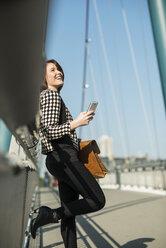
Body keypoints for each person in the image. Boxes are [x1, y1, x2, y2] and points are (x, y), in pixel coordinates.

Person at [30, 59, 106, 248]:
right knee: (97, 200)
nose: (59, 72)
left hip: (58, 159)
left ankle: (56, 218)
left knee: (69, 213)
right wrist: (76, 123)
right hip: (63, 157)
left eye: (60, 69)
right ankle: (49, 214)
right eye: (52, 70)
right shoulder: (51, 95)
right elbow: (48, 130)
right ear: (43, 78)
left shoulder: (50, 97)